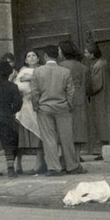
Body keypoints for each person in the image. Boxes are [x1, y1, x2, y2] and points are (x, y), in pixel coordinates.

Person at [30, 44, 84, 177]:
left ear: (45, 56)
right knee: (66, 137)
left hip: (44, 107)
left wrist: (36, 106)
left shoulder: (38, 72)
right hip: (62, 107)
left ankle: (54, 167)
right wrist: (69, 105)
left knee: (49, 138)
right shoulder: (65, 71)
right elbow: (71, 91)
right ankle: (72, 166)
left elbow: (34, 92)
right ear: (57, 55)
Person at [14, 50, 46, 175]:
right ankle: (18, 164)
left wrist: (31, 79)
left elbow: (46, 83)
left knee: (39, 135)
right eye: (28, 56)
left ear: (38, 58)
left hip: (39, 106)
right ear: (26, 60)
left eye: (34, 55)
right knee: (22, 138)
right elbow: (18, 86)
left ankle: (40, 163)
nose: (31, 57)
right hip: (25, 107)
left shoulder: (43, 70)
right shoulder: (22, 71)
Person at [85, 42, 110, 159]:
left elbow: (96, 85)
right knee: (104, 121)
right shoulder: (102, 63)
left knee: (101, 121)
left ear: (93, 54)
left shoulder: (98, 65)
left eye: (87, 53)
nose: (85, 55)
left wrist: (86, 91)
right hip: (105, 95)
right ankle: (104, 150)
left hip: (100, 98)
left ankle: (104, 151)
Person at [58, 40, 89, 165]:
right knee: (79, 130)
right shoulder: (82, 66)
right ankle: (76, 159)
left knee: (65, 131)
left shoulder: (61, 66)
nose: (58, 52)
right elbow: (87, 85)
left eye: (59, 50)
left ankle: (66, 160)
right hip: (80, 99)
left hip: (65, 100)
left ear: (64, 51)